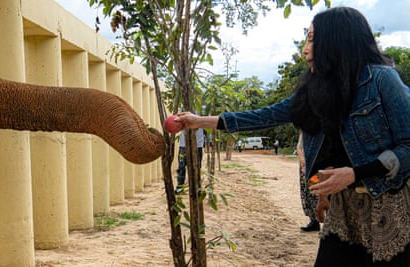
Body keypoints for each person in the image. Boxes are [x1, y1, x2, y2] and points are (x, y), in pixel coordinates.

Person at [175, 6, 410, 266]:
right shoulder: (317, 90)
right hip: (344, 208)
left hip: (390, 204)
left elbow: (408, 145)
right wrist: (198, 121)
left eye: (312, 40)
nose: (305, 50)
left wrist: (355, 173)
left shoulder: (382, 80)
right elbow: (265, 116)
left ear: (337, 41)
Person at [297, 132, 319, 232]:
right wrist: (304, 163)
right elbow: (299, 147)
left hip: (317, 166)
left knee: (318, 192)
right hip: (306, 166)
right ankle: (314, 221)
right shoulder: (304, 131)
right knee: (307, 192)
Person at [175, 128, 205, 194]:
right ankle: (180, 188)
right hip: (183, 144)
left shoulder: (202, 117)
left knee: (197, 167)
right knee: (181, 167)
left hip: (198, 144)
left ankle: (196, 188)